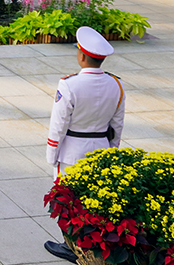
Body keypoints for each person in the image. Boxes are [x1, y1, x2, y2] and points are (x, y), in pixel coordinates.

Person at [43, 27, 126, 264]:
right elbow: (117, 125)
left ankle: (71, 246)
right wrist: (112, 150)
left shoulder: (69, 85)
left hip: (71, 150)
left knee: (67, 200)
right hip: (101, 148)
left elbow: (58, 125)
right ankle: (89, 245)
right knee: (93, 198)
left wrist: (52, 155)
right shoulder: (116, 85)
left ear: (81, 56)